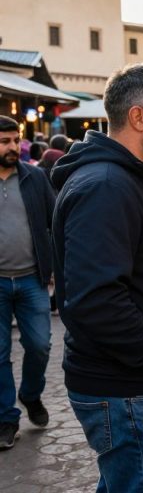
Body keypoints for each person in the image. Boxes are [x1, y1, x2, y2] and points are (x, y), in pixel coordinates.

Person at [50, 64, 143, 491]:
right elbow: (95, 301)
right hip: (131, 390)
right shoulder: (106, 185)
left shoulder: (130, 177)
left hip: (136, 387)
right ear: (138, 117)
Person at [0, 115, 55, 450]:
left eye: (14, 140)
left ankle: (30, 395)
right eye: (4, 141)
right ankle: (7, 418)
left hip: (32, 279)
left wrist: (54, 268)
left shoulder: (35, 177)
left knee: (40, 345)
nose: (11, 147)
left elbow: (54, 221)